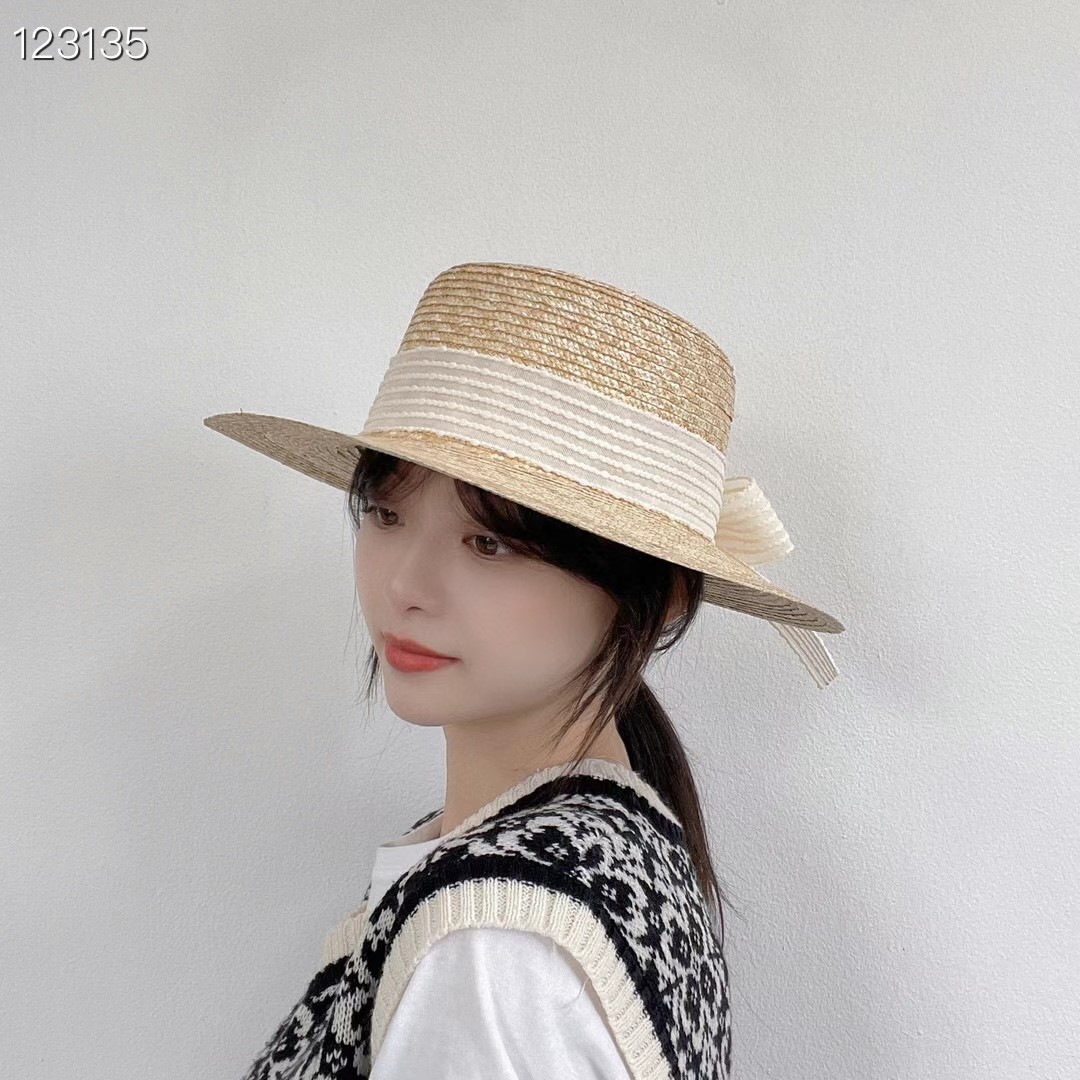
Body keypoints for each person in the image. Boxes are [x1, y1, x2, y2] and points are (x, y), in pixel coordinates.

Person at [204, 261, 845, 1079]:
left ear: (662, 598)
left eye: (489, 542)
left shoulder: (493, 948)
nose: (404, 587)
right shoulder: (611, 846)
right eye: (386, 513)